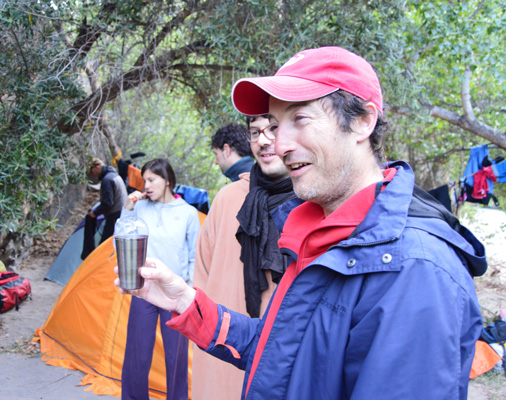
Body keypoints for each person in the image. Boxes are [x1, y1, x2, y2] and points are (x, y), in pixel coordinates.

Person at [115, 47, 487, 399]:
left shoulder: (415, 271)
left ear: (362, 121)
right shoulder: (318, 233)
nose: (278, 144)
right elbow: (284, 352)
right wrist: (186, 302)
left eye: (300, 118)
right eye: (276, 125)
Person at [192, 115, 295, 400]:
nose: (263, 140)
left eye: (273, 129)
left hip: (282, 364)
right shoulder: (227, 199)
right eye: (254, 132)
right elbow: (202, 275)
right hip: (221, 352)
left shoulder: (314, 202)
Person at [120, 158, 200, 400]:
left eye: (152, 180)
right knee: (137, 352)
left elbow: (195, 254)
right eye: (144, 180)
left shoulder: (188, 213)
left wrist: (191, 291)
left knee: (176, 355)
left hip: (175, 292)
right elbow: (121, 235)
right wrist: (127, 207)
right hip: (143, 288)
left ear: (167, 180)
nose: (147, 185)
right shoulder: (141, 208)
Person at [81, 158, 128, 260]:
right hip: (121, 214)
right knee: (109, 246)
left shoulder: (107, 180)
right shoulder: (114, 176)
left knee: (104, 248)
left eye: (92, 171)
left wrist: (95, 213)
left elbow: (107, 203)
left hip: (115, 216)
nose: (92, 174)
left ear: (97, 167)